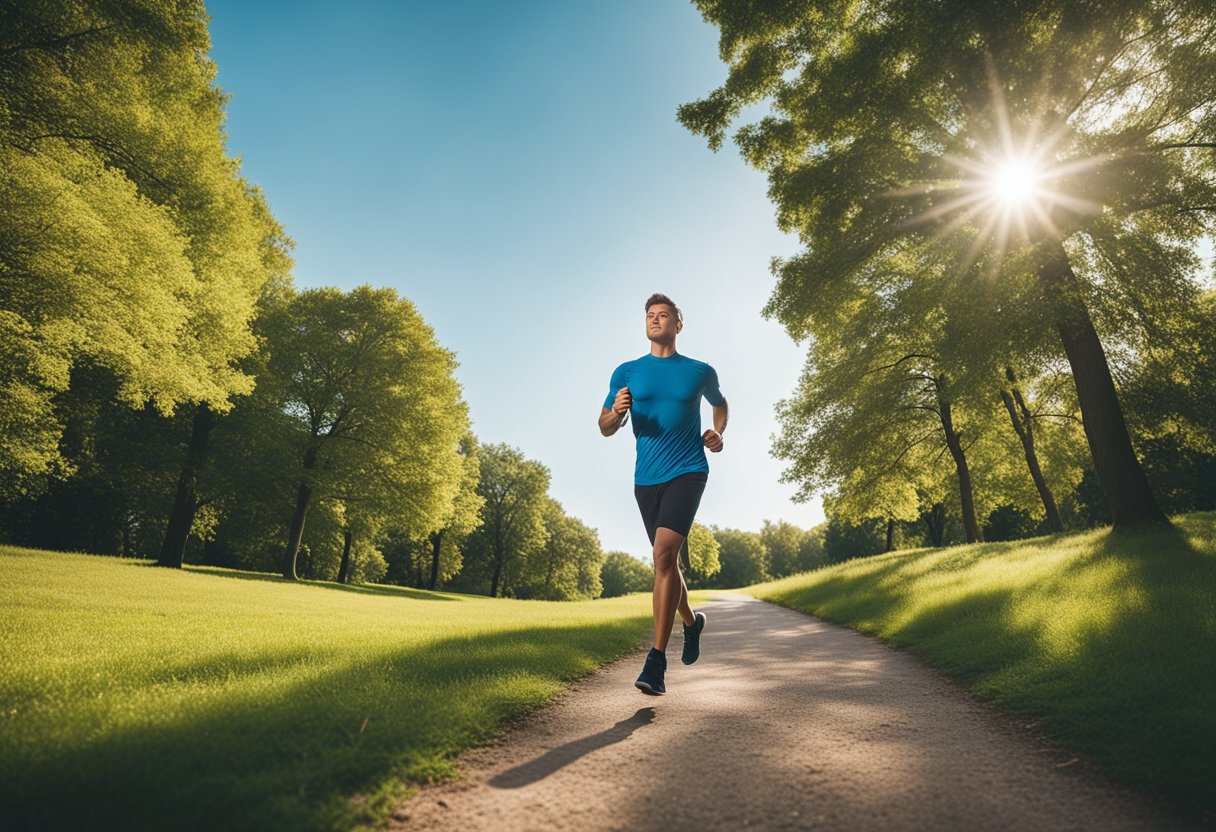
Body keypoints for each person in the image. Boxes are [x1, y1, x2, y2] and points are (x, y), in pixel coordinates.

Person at [599, 293, 728, 695]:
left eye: (664, 315)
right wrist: (617, 412)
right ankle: (692, 622)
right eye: (650, 316)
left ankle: (656, 662)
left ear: (678, 324)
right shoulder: (627, 372)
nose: (656, 321)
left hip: (688, 471)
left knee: (663, 557)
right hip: (646, 479)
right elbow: (604, 426)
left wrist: (717, 431)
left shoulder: (700, 371)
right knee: (665, 565)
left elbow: (720, 406)